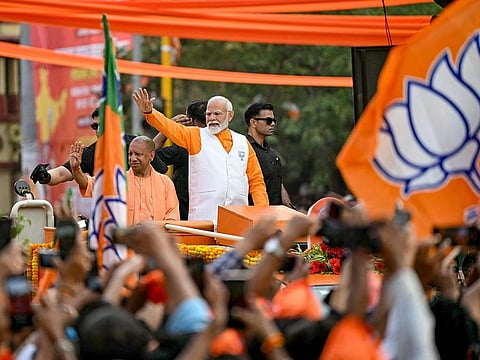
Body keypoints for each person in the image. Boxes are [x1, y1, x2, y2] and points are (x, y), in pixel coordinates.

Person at [133, 88, 269, 227]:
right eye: (208, 114)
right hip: (204, 219)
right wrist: (150, 112)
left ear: (230, 115)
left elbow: (256, 181)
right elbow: (171, 128)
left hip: (238, 218)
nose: (212, 118)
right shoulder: (196, 135)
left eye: (217, 114)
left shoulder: (242, 142)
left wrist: (261, 213)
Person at [30, 107, 168, 186]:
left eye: (103, 124)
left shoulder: (136, 144)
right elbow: (61, 173)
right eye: (95, 126)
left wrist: (168, 130)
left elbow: (162, 176)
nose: (98, 130)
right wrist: (46, 176)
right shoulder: (91, 153)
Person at [70, 135, 180, 224]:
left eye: (138, 154)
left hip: (154, 245)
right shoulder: (118, 180)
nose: (132, 159)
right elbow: (87, 184)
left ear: (151, 156)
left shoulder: (165, 183)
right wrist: (76, 169)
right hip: (124, 245)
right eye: (130, 154)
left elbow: (172, 217)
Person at [154, 100, 207, 220]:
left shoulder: (183, 149)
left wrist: (168, 127)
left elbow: (148, 153)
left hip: (185, 216)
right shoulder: (226, 144)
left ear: (190, 121)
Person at [244, 103, 294, 208]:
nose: (272, 124)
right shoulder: (242, 148)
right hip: (254, 213)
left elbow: (279, 184)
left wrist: (289, 208)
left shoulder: (272, 153)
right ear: (253, 122)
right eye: (268, 121)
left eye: (274, 121)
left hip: (275, 215)